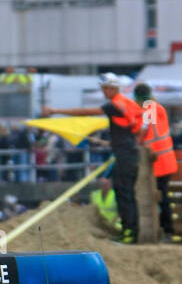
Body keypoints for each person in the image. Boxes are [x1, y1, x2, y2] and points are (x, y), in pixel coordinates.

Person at [45, 73, 143, 243]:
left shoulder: (115, 104)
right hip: (129, 151)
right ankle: (131, 231)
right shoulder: (129, 103)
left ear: (113, 88)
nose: (104, 92)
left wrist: (56, 111)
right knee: (127, 193)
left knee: (123, 193)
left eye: (105, 89)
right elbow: (135, 127)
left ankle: (129, 233)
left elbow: (86, 112)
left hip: (124, 154)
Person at [134, 81, 177, 240]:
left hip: (159, 161)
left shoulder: (150, 108)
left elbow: (145, 130)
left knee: (161, 197)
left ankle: (168, 231)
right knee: (161, 196)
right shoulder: (156, 107)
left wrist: (138, 141)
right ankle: (165, 231)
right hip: (163, 160)